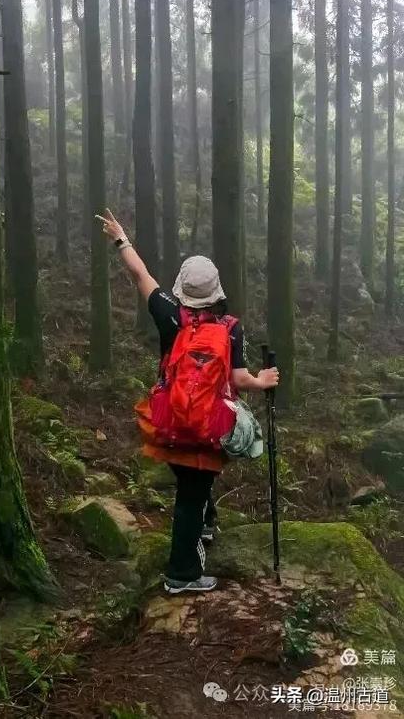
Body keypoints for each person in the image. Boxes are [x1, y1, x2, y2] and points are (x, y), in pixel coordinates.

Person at [96, 209, 279, 594]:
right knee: (191, 496)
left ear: (182, 288)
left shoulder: (169, 313)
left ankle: (205, 525)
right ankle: (182, 574)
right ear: (216, 291)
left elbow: (140, 274)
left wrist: (120, 239)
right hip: (209, 425)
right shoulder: (228, 328)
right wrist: (263, 380)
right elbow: (238, 380)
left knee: (191, 484)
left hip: (172, 419)